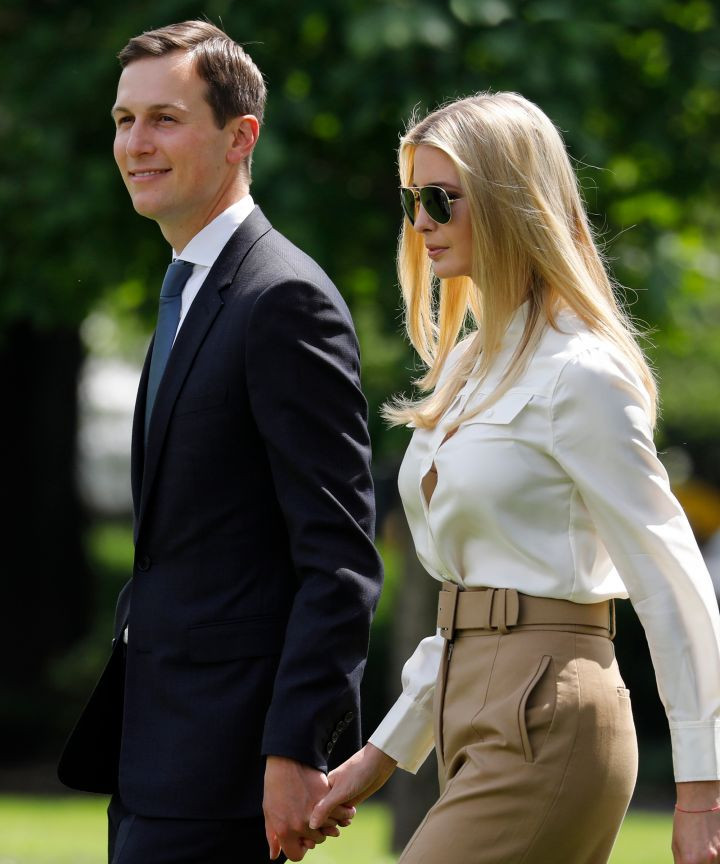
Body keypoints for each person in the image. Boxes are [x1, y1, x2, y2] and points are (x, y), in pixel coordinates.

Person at [310, 92, 720, 864]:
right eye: (411, 201)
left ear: (509, 200)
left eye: (440, 200)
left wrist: (704, 788)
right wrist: (381, 754)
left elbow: (672, 580)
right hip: (470, 707)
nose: (421, 222)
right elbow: (470, 604)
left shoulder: (581, 372)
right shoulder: (466, 366)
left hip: (550, 714)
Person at [57, 20, 383, 864]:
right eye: (124, 121)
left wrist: (296, 746)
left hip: (231, 765)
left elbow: (339, 558)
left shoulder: (283, 300)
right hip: (155, 755)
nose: (136, 143)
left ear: (241, 138)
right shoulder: (190, 288)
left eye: (164, 119)